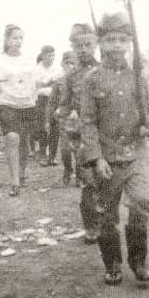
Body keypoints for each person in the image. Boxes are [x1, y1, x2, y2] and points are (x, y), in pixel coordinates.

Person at [80, 12, 149, 286]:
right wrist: (96, 158)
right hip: (107, 160)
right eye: (110, 40)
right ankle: (112, 263)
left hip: (136, 155)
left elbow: (148, 115)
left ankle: (138, 261)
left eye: (122, 40)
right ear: (101, 43)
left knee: (141, 203)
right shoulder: (92, 79)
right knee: (107, 214)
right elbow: (87, 123)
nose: (116, 46)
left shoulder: (138, 77)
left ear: (129, 43)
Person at [56, 23, 100, 243]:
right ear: (72, 47)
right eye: (78, 45)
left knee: (105, 181)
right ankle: (91, 227)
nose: (83, 49)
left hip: (104, 134)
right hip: (81, 135)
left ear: (96, 44)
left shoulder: (104, 70)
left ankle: (105, 222)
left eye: (88, 44)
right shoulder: (70, 77)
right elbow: (64, 106)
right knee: (88, 181)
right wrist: (66, 120)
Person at [0, 24, 37, 196]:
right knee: (12, 137)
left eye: (20, 38)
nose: (18, 41)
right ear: (7, 39)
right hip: (6, 103)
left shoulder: (28, 59)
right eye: (14, 38)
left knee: (24, 142)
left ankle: (22, 172)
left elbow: (33, 82)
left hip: (26, 103)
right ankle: (15, 182)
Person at [46, 51, 77, 185]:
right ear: (63, 64)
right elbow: (51, 103)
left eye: (73, 63)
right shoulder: (58, 82)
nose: (70, 66)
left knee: (79, 149)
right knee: (65, 148)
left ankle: (80, 174)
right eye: (67, 63)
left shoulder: (84, 80)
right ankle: (68, 169)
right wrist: (48, 120)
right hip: (64, 118)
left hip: (81, 118)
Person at [35, 45, 60, 166]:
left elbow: (60, 84)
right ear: (43, 55)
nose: (51, 58)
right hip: (41, 100)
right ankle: (43, 155)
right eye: (49, 55)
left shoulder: (57, 68)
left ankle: (53, 156)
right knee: (42, 128)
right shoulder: (37, 69)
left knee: (55, 127)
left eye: (53, 55)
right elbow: (37, 86)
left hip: (55, 100)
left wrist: (49, 83)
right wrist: (50, 82)